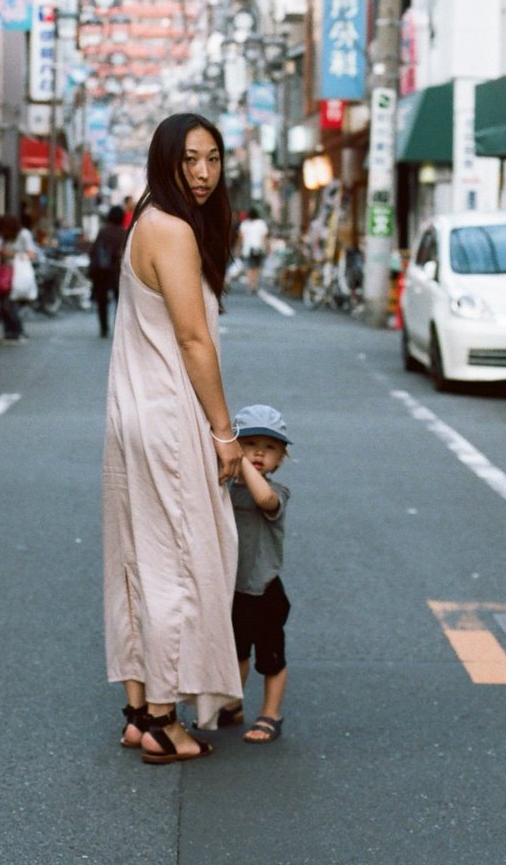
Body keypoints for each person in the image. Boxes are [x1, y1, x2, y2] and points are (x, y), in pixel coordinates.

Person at [102, 112, 243, 765]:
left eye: (213, 158)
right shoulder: (175, 230)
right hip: (167, 416)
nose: (204, 172)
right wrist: (224, 431)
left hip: (130, 412)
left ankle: (137, 708)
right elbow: (193, 340)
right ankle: (163, 718)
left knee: (136, 556)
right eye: (190, 159)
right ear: (167, 160)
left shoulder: (143, 218)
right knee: (178, 564)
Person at [220, 403, 292, 744]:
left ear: (281, 458)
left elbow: (263, 500)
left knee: (270, 658)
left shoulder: (277, 492)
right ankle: (233, 704)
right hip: (231, 587)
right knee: (235, 652)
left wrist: (243, 463)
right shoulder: (224, 488)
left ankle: (270, 713)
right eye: (249, 444)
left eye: (270, 447)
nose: (259, 452)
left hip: (265, 591)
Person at [0, 213, 36, 343]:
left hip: (15, 273)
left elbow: (31, 253)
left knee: (8, 303)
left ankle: (17, 331)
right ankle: (8, 331)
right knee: (3, 302)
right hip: (3, 271)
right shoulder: (4, 237)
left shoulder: (23, 234)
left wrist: (12, 254)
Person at [89, 204, 126, 338]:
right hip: (119, 272)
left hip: (102, 272)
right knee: (120, 302)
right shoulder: (125, 233)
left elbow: (94, 251)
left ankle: (104, 328)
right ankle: (119, 328)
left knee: (102, 301)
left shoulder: (103, 232)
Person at [237, 206, 269, 294]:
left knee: (249, 268)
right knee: (257, 267)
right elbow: (265, 237)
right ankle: (255, 284)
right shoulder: (261, 223)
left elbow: (241, 238)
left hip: (247, 249)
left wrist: (238, 248)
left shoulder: (244, 224)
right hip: (259, 248)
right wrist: (268, 248)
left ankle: (250, 285)